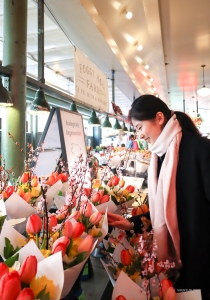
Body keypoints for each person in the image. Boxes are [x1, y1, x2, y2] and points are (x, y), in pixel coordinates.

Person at [107, 94, 210, 299]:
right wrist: (131, 224)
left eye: (139, 128)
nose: (139, 136)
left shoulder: (200, 149)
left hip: (201, 261)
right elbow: (162, 213)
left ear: (159, 118)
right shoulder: (159, 157)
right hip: (175, 265)